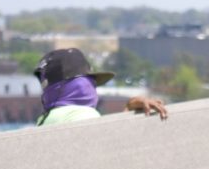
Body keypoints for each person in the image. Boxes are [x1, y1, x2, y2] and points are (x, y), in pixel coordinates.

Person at [33, 48, 167, 126]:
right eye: (91, 82)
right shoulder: (82, 114)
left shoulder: (44, 120)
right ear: (81, 86)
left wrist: (128, 108)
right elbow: (110, 145)